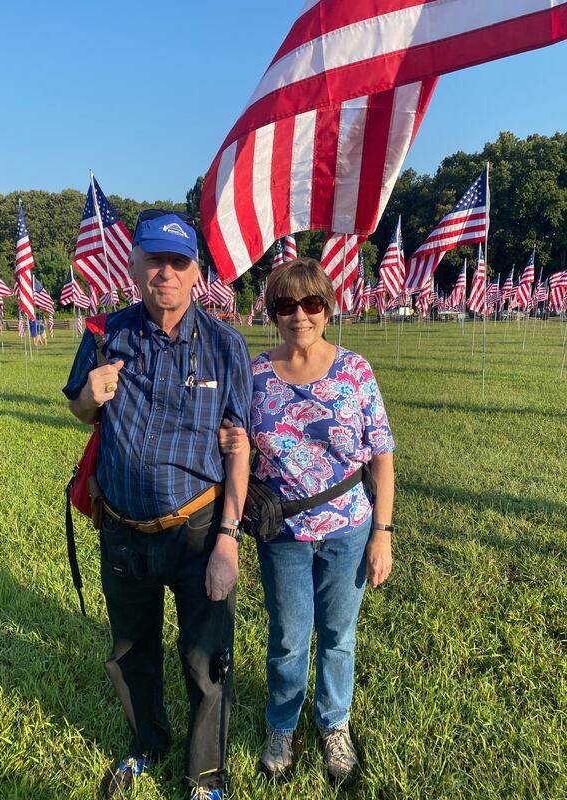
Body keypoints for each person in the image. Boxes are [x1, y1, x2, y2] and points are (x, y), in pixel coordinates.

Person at [63, 211, 252, 800]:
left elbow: (239, 448)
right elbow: (79, 409)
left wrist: (228, 537)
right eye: (153, 261)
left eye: (178, 262)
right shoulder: (103, 335)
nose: (164, 273)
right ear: (135, 265)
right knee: (130, 651)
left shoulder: (226, 347)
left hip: (196, 530)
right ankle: (148, 743)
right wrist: (88, 399)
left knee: (205, 660)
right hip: (121, 529)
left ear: (197, 272)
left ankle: (205, 777)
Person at [221, 258, 395, 785]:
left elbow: (381, 455)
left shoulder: (355, 370)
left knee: (339, 635)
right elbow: (237, 448)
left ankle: (333, 724)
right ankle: (281, 725)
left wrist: (383, 532)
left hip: (349, 528)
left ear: (327, 307)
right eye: (286, 305)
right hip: (284, 535)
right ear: (272, 312)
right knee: (291, 637)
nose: (300, 314)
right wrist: (233, 442)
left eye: (311, 303)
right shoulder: (252, 374)